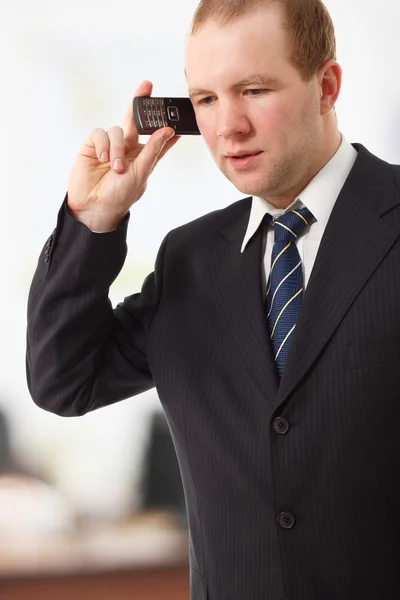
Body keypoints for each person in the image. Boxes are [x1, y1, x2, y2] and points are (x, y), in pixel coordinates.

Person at [26, 0, 400, 598]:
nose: (228, 127)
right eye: (205, 99)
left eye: (252, 90)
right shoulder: (189, 261)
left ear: (326, 86)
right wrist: (93, 221)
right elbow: (63, 382)